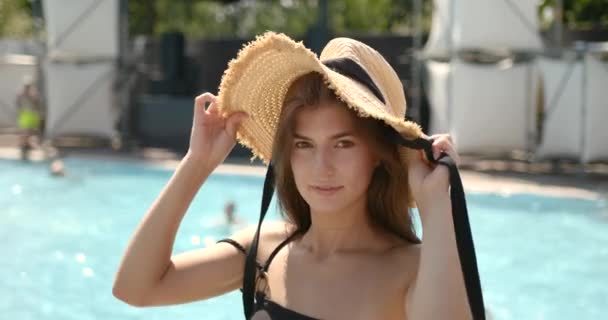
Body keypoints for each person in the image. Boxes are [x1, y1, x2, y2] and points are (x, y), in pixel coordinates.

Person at [113, 32, 483, 319]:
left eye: (343, 145)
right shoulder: (265, 252)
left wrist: (435, 206)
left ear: (379, 157)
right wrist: (197, 163)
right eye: (304, 145)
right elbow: (136, 288)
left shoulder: (413, 269)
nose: (321, 167)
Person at [15, 75, 42, 160]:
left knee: (30, 132)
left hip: (32, 115)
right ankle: (23, 147)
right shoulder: (20, 93)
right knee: (24, 132)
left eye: (28, 86)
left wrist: (32, 97)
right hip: (25, 115)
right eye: (26, 86)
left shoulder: (34, 94)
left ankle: (27, 146)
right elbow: (18, 103)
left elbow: (37, 104)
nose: (27, 88)